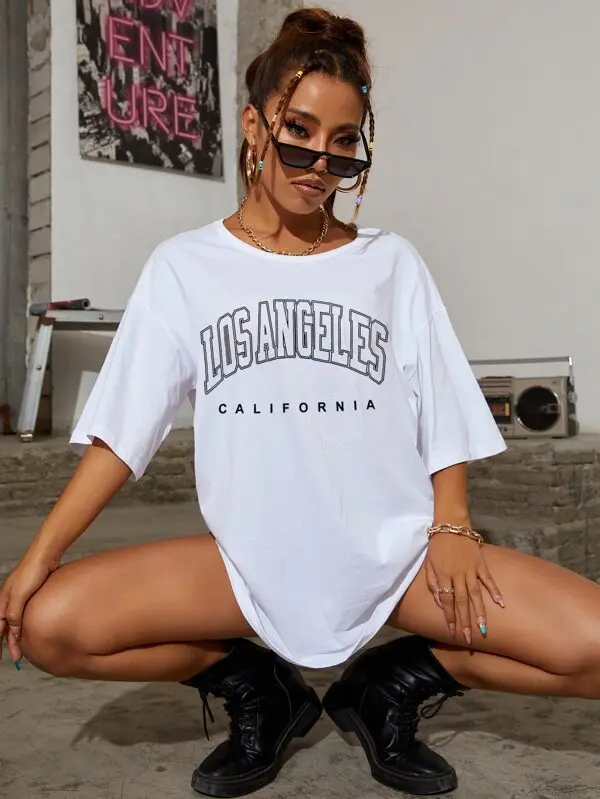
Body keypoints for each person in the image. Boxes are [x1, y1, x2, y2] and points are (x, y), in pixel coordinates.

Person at [2, 7, 600, 798]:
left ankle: (392, 683)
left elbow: (443, 405)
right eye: (298, 131)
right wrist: (39, 554)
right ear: (254, 126)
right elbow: (122, 433)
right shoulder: (185, 268)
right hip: (243, 564)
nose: (319, 162)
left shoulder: (390, 264)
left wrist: (453, 524)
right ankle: (260, 687)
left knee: (594, 646)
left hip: (398, 558)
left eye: (343, 142)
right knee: (49, 626)